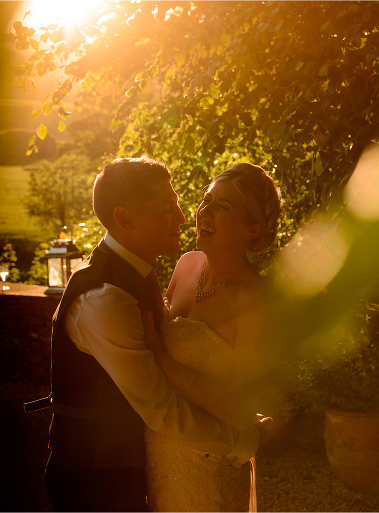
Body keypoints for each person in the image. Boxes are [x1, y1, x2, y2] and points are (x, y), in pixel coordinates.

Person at [44, 157, 265, 512]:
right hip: (98, 481)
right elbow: (160, 409)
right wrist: (240, 442)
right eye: (167, 208)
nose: (182, 216)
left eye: (178, 204)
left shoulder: (140, 273)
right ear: (125, 219)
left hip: (154, 467)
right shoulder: (105, 298)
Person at [143, 163, 286, 512]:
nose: (204, 211)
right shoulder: (186, 265)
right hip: (157, 454)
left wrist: (161, 358)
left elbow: (241, 410)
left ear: (252, 228)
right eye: (206, 200)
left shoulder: (255, 299)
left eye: (222, 207)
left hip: (209, 466)